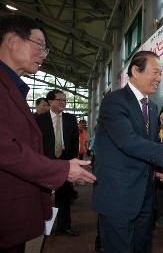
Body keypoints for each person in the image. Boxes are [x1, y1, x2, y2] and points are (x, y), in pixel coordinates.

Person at [0, 14, 95, 252]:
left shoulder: (14, 87)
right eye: (40, 45)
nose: (44, 55)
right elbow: (7, 149)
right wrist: (61, 169)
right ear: (12, 41)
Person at [92, 50, 163, 253]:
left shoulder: (152, 107)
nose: (159, 78)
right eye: (155, 72)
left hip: (145, 197)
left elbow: (152, 145)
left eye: (161, 73)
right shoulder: (114, 101)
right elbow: (128, 141)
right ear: (135, 71)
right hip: (118, 196)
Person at [35, 89, 81, 236]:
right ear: (50, 102)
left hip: (64, 162)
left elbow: (74, 142)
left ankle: (64, 225)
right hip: (45, 162)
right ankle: (42, 227)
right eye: (59, 100)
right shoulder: (40, 119)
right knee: (44, 195)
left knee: (64, 196)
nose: (63, 102)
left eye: (64, 100)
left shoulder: (70, 119)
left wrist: (72, 161)